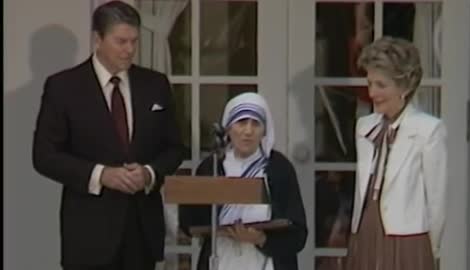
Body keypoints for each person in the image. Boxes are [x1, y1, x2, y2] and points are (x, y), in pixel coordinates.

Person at [32, 1, 184, 269]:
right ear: (97, 39)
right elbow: (44, 156)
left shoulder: (155, 84)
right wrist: (102, 175)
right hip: (88, 236)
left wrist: (148, 173)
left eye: (134, 41)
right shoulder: (63, 87)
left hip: (142, 233)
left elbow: (174, 148)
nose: (129, 50)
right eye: (121, 41)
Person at [345, 36, 448, 270]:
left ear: (405, 86)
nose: (372, 93)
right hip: (365, 233)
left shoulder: (428, 130)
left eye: (381, 85)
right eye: (370, 83)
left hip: (407, 239)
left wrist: (428, 250)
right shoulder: (364, 127)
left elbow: (437, 202)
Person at [179, 92, 307, 270]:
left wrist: (260, 238)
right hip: (222, 256)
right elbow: (188, 221)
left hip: (266, 260)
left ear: (264, 130)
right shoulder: (212, 166)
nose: (248, 131)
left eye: (256, 124)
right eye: (241, 123)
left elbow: (298, 234)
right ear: (229, 127)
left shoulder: (279, 168)